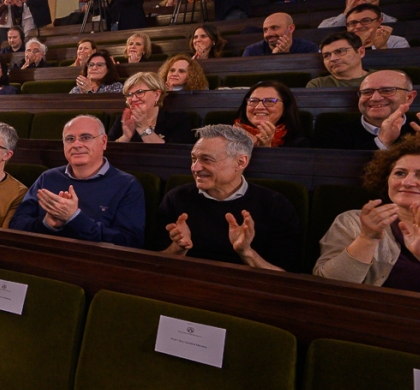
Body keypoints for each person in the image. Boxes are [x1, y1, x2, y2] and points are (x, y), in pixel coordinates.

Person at [315, 137, 420, 296]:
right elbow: (327, 288)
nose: (407, 182)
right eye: (400, 173)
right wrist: (367, 238)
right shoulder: (351, 221)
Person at [159, 124, 299, 272]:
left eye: (207, 160)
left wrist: (246, 252)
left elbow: (286, 277)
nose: (195, 168)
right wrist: (179, 248)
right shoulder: (176, 198)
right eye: (194, 159)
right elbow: (153, 262)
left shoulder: (275, 205)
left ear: (240, 162)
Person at [9, 115, 145, 247]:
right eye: (70, 139)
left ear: (103, 142)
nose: (76, 144)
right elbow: (16, 224)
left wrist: (74, 217)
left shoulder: (127, 185)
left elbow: (130, 241)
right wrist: (46, 224)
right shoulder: (48, 178)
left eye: (85, 138)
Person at [316, 70, 420, 150]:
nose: (375, 98)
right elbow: (345, 172)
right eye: (367, 92)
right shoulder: (333, 133)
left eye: (387, 90)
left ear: (409, 97)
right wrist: (382, 141)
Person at [109, 72, 195, 144]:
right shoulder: (122, 120)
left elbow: (174, 155)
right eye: (129, 95)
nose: (134, 99)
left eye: (140, 92)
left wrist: (144, 129)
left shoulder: (177, 120)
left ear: (157, 95)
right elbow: (108, 153)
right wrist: (125, 137)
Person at [232, 80, 311, 147]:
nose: (259, 107)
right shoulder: (227, 135)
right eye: (253, 101)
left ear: (285, 108)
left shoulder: (299, 143)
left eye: (270, 101)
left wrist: (265, 149)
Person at [241, 12, 319, 56]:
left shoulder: (309, 49)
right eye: (265, 30)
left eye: (274, 28)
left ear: (291, 28)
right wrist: (274, 55)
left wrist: (285, 54)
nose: (269, 34)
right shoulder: (252, 51)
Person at [319, 0, 398, 29]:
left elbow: (393, 27)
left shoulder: (388, 19)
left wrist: (374, 10)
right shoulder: (327, 22)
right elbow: (323, 33)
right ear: (347, 3)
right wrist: (346, 14)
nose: (361, 3)